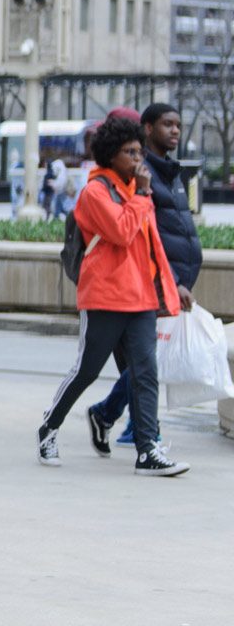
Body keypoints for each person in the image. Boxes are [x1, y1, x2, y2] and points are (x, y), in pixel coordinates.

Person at [38, 114, 187, 476]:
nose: (138, 159)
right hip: (105, 297)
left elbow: (151, 246)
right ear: (110, 155)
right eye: (129, 152)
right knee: (87, 370)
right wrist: (141, 194)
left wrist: (171, 288)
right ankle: (49, 427)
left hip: (140, 298)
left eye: (139, 152)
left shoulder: (135, 191)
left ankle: (147, 449)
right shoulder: (95, 192)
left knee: (145, 373)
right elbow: (121, 232)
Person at [95, 103, 201, 449]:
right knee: (143, 364)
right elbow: (145, 236)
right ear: (147, 128)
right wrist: (171, 280)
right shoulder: (142, 176)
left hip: (172, 285)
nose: (175, 131)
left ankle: (117, 420)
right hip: (152, 285)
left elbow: (180, 226)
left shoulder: (172, 172)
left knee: (146, 363)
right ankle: (138, 431)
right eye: (167, 124)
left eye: (178, 125)